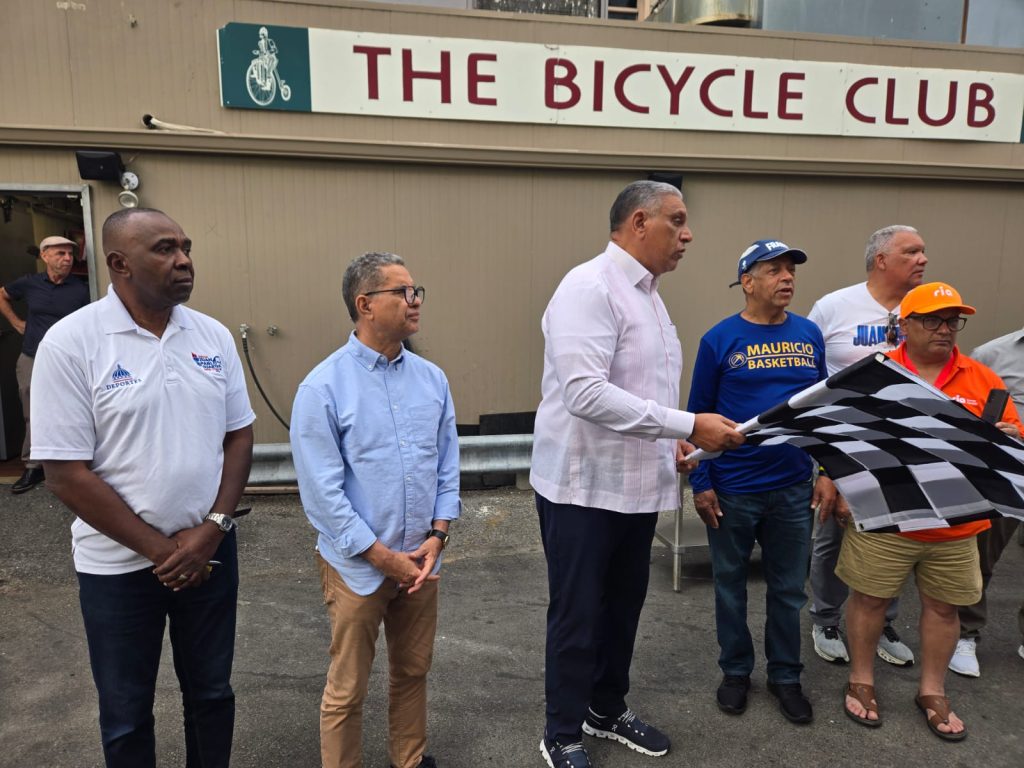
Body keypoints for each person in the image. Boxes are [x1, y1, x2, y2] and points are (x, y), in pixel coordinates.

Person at [29, 208, 255, 768]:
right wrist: (164, 551)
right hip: (117, 569)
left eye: (186, 247)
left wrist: (212, 530)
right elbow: (65, 472)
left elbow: (239, 435)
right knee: (127, 713)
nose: (183, 260)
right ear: (119, 263)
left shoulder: (212, 335)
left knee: (212, 696)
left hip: (209, 554)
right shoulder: (72, 342)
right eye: (164, 249)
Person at [530, 180, 745, 768]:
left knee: (623, 608)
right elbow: (584, 393)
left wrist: (676, 442)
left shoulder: (649, 296)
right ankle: (561, 731)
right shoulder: (589, 287)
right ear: (639, 222)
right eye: (677, 220)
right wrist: (687, 423)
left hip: (636, 488)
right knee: (578, 613)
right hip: (583, 487)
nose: (688, 234)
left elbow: (642, 389)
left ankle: (605, 708)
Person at [290, 252, 459, 768]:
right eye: (402, 292)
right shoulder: (322, 387)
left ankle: (409, 759)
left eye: (415, 291)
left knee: (413, 671)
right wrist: (381, 556)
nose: (415, 301)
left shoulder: (432, 379)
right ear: (364, 305)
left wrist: (438, 535)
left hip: (420, 561)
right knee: (348, 686)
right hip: (356, 567)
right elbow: (321, 494)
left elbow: (447, 464)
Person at [839, 281, 1022, 741]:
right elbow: (843, 438)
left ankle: (932, 691)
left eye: (953, 320)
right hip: (887, 518)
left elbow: (1013, 440)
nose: (945, 329)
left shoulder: (984, 379)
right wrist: (836, 482)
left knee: (944, 609)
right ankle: (861, 680)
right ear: (905, 325)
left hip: (958, 524)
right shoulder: (875, 375)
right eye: (933, 320)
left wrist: (1007, 439)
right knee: (870, 600)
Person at [688, 240, 835, 725]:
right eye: (774, 270)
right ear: (747, 282)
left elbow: (821, 413)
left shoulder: (809, 335)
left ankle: (786, 677)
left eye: (790, 270)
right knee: (730, 587)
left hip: (792, 487)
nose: (787, 277)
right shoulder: (719, 339)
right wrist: (701, 483)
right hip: (732, 488)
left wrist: (826, 471)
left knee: (789, 590)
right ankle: (735, 672)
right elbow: (697, 415)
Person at [806, 225, 926, 667]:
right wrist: (823, 458)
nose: (922, 260)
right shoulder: (834, 307)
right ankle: (825, 618)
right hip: (844, 442)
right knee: (832, 536)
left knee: (894, 535)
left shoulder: (925, 308)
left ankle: (881, 621)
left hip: (903, 446)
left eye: (923, 252)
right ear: (881, 260)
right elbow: (808, 378)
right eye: (911, 252)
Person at [947, 326, 1024, 677]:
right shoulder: (992, 354)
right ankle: (966, 633)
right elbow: (968, 415)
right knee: (981, 557)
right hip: (1007, 477)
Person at [0, 235, 89, 493]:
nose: (67, 259)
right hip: (32, 356)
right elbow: (2, 295)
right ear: (44, 256)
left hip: (67, 361)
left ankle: (72, 464)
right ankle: (33, 466)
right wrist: (16, 323)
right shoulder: (29, 283)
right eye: (61, 253)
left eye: (70, 254)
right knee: (32, 411)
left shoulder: (80, 289)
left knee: (71, 410)